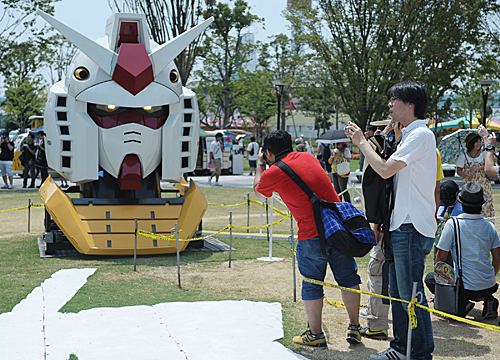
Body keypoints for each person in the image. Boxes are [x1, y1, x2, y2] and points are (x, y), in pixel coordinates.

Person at [346, 80, 436, 360]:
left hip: (411, 225)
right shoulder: (409, 134)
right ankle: (402, 348)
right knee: (398, 292)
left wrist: (362, 142)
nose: (389, 105)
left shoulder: (420, 134)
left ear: (409, 105)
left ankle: (418, 353)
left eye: (393, 100)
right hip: (401, 223)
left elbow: (385, 170)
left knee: (410, 293)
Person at [253, 130, 363, 347]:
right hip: (338, 229)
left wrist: (259, 164)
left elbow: (258, 191)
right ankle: (354, 327)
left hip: (311, 235)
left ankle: (315, 334)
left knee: (312, 284)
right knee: (349, 279)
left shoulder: (272, 172)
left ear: (269, 152)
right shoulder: (308, 157)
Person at [429, 182, 500, 319]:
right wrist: (490, 276)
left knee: (430, 279)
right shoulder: (490, 226)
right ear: (482, 204)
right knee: (481, 286)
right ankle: (488, 299)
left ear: (460, 204)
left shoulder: (452, 224)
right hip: (489, 284)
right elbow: (498, 258)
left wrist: (443, 281)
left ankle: (461, 302)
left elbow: (440, 257)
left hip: (465, 287)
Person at [456, 132, 494, 218]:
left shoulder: (484, 154)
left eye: (480, 142)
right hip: (469, 184)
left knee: (485, 205)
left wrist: (478, 168)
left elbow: (490, 166)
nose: (479, 144)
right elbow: (459, 171)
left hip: (484, 184)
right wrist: (466, 174)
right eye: (477, 142)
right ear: (471, 143)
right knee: (470, 205)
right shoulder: (464, 156)